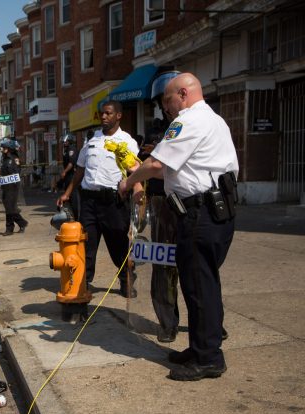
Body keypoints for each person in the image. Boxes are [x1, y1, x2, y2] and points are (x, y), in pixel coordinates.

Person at [118, 72, 238, 381]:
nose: (164, 107)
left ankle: (209, 358)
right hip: (213, 212)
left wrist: (130, 179)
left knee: (200, 288)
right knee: (201, 285)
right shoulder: (213, 120)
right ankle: (201, 348)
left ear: (183, 94)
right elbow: (170, 167)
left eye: (167, 100)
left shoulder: (189, 120)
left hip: (201, 215)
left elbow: (158, 165)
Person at [57, 101, 141, 297]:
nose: (103, 117)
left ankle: (126, 280)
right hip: (88, 202)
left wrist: (134, 188)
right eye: (101, 113)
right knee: (86, 245)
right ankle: (82, 283)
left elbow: (135, 171)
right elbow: (80, 169)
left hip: (113, 202)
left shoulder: (127, 142)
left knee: (119, 244)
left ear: (118, 116)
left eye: (108, 113)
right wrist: (67, 193)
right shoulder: (92, 140)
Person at [143, 72, 181, 343]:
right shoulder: (157, 130)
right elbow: (147, 164)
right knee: (163, 265)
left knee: (200, 267)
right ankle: (167, 323)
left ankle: (211, 321)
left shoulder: (198, 125)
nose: (166, 107)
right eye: (162, 102)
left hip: (193, 204)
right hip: (162, 203)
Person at [0, 139, 28, 235]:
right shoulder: (5, 159)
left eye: (4, 147)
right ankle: (22, 223)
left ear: (9, 148)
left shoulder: (14, 159)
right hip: (5, 187)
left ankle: (10, 228)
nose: (2, 149)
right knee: (9, 208)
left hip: (13, 187)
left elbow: (16, 173)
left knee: (10, 208)